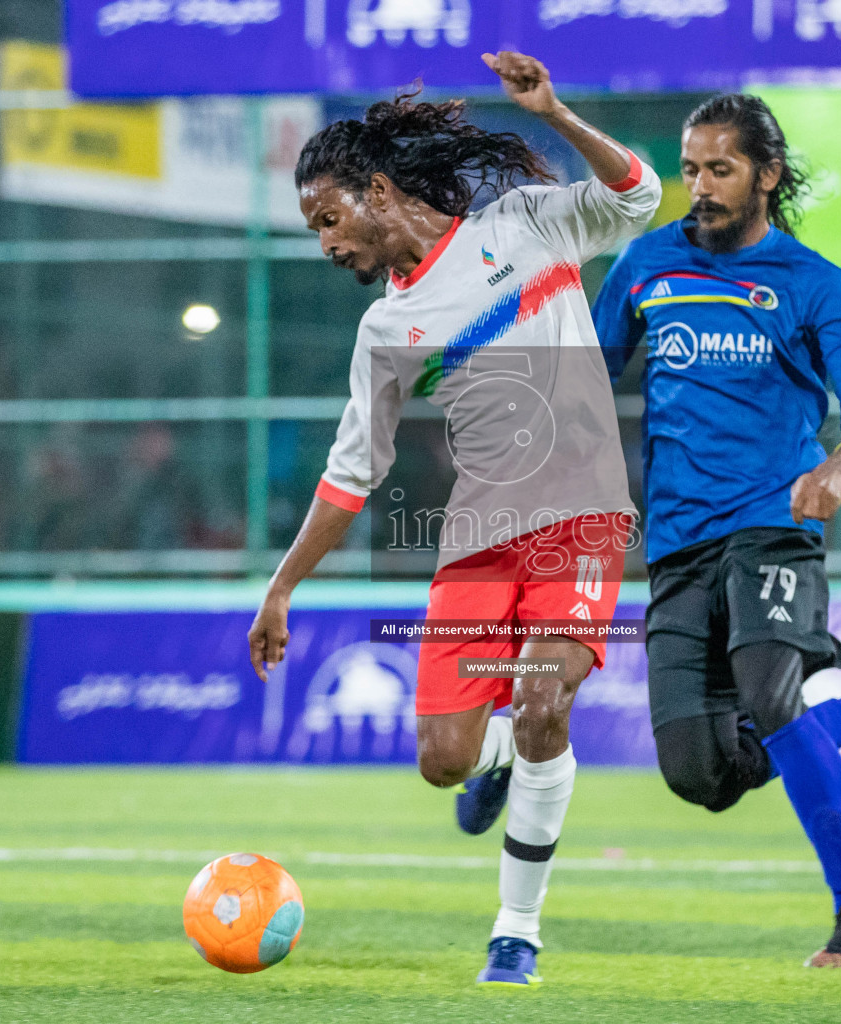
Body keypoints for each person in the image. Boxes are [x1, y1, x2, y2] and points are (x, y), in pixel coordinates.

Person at [248, 51, 660, 988]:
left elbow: (637, 195)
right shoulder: (384, 333)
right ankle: (503, 757)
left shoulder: (521, 227)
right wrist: (282, 587)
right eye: (312, 229)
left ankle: (516, 934)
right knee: (443, 762)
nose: (324, 244)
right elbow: (351, 476)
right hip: (479, 539)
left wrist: (555, 111)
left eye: (328, 219)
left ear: (378, 192)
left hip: (583, 519)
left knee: (546, 699)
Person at [592, 93, 841, 968]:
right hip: (675, 543)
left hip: (772, 525)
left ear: (767, 177)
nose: (698, 187)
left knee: (772, 693)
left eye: (720, 169)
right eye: (691, 168)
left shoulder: (814, 284)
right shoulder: (643, 265)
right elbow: (588, 381)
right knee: (700, 778)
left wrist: (839, 468)